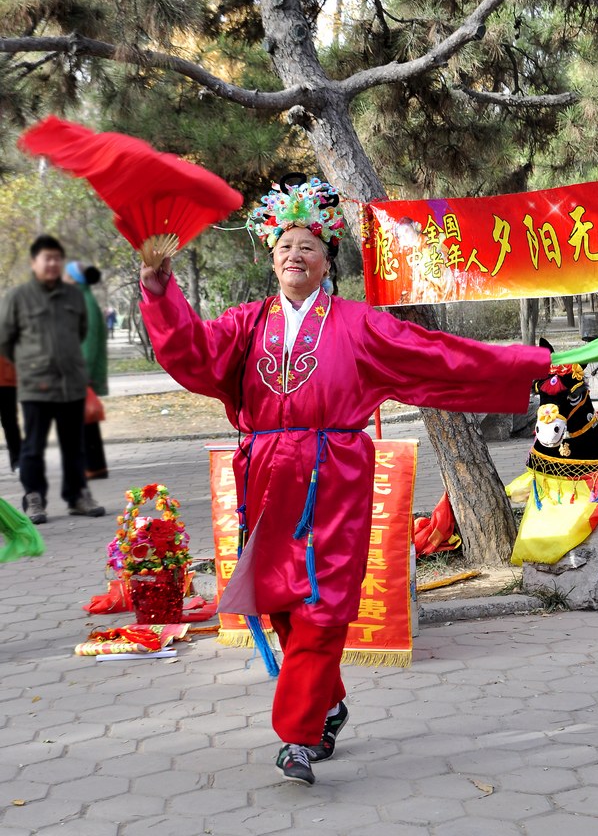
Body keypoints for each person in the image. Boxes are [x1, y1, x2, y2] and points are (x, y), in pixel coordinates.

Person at [139, 175, 551, 787]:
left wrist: (536, 365)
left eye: (306, 245)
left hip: (333, 479)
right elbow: (192, 352)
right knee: (280, 603)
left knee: (325, 608)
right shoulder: (248, 324)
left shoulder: (358, 324)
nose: (293, 255)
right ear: (270, 258)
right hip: (266, 476)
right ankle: (327, 703)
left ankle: (298, 739)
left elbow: (436, 355)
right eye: (283, 246)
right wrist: (157, 286)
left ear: (328, 258)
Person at [0, 235, 106, 524]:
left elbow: (81, 331)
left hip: (70, 383)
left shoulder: (74, 296)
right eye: (46, 258)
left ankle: (77, 497)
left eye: (57, 258)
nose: (52, 263)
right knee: (32, 446)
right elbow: (6, 340)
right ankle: (33, 497)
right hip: (35, 386)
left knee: (74, 444)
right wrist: (31, 364)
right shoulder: (18, 297)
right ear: (34, 262)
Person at [64, 262, 110, 479]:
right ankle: (96, 466)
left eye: (67, 273)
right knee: (87, 419)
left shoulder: (84, 301)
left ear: (74, 279)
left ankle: (89, 466)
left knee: (81, 418)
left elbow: (90, 342)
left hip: (81, 370)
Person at [0, 354, 22, 472]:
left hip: (6, 379)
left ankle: (17, 459)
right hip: (7, 377)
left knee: (10, 422)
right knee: (10, 422)